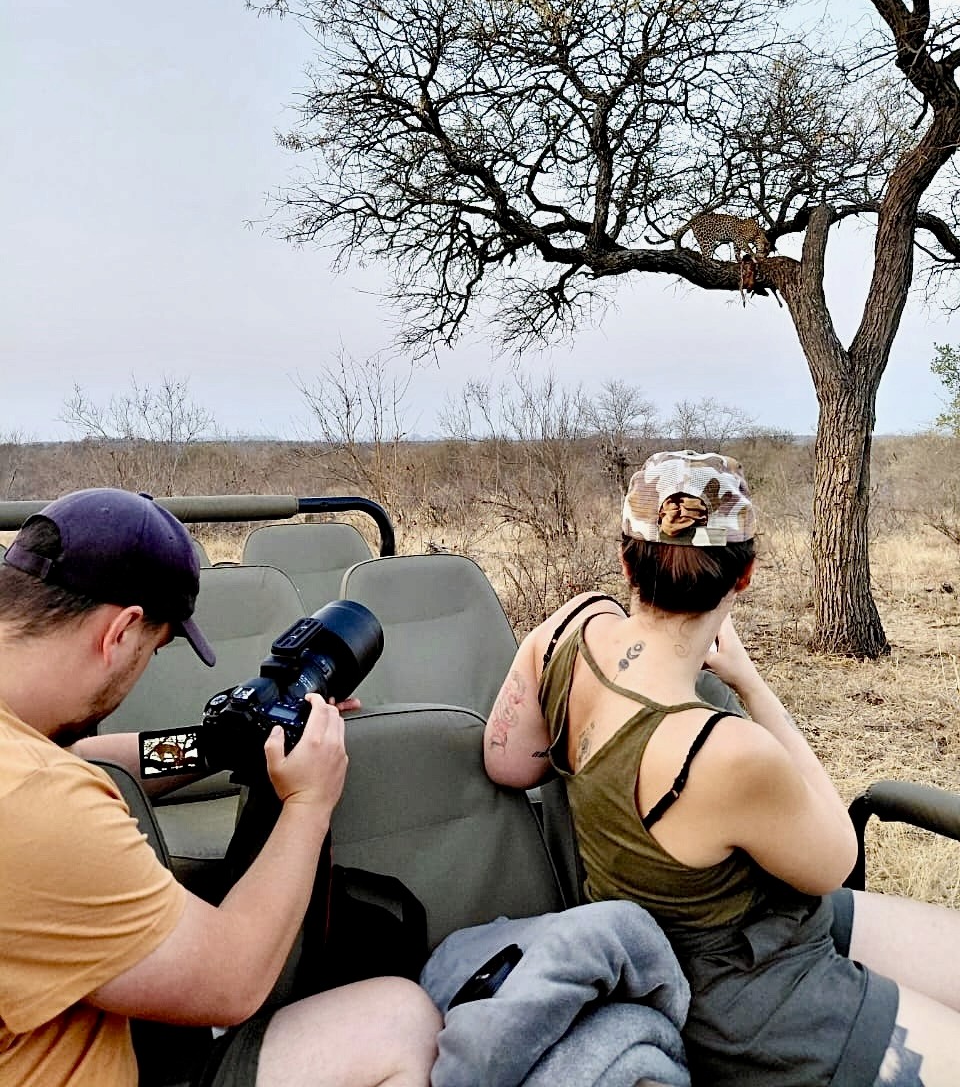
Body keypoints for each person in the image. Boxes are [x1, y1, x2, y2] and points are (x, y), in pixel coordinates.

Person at [483, 450, 960, 1087]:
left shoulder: (564, 633)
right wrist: (756, 689)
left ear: (628, 560)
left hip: (755, 933)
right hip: (745, 996)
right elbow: (834, 860)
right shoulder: (723, 750)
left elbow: (508, 762)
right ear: (744, 576)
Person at [0, 488, 441, 1087]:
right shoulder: (37, 801)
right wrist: (309, 804)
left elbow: (84, 757)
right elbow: (233, 979)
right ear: (121, 632)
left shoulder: (22, 748)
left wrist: (218, 744)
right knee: (399, 1017)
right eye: (153, 652)